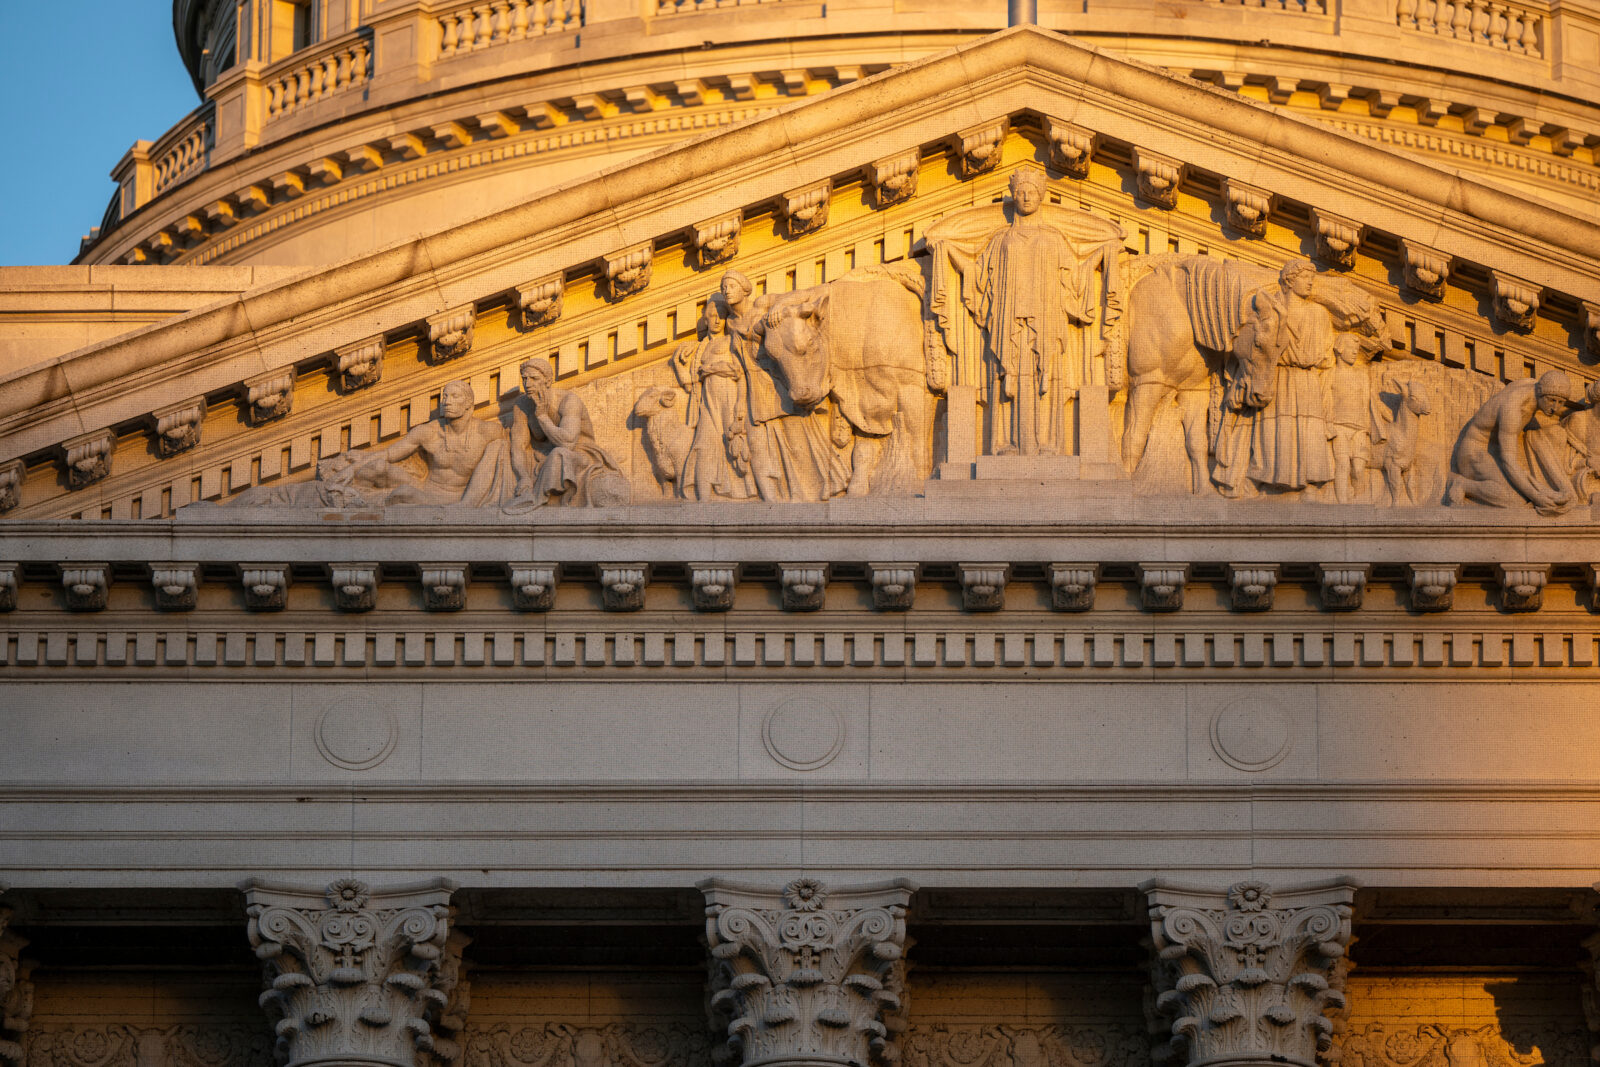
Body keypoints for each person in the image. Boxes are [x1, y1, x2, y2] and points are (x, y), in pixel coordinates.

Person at [938, 169, 1098, 455]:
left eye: (1032, 192)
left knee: (1044, 379)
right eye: (1021, 192)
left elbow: (1073, 279)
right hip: (1007, 320)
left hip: (1046, 322)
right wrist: (947, 250)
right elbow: (978, 276)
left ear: (1041, 196)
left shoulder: (1053, 238)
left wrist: (1100, 255)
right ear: (1014, 196)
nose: (1025, 197)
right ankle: (1006, 444)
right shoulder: (1001, 240)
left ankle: (1048, 445)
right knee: (1008, 377)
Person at [234, 379, 512, 507]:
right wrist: (352, 467)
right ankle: (335, 489)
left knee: (402, 495)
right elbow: (390, 453)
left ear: (470, 403)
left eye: (453, 397)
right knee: (380, 473)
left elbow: (517, 456)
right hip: (427, 491)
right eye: (444, 396)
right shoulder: (429, 432)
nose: (446, 401)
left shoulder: (490, 433)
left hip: (460, 501)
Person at [719, 269, 850, 502]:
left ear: (745, 289)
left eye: (731, 285)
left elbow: (812, 292)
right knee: (759, 447)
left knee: (798, 438)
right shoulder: (729, 324)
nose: (726, 291)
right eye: (723, 287)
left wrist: (781, 306)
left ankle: (818, 487)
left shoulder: (761, 305)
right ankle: (777, 497)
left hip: (778, 383)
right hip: (753, 388)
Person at [1214, 260, 1336, 496]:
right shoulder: (1269, 311)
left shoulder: (1319, 314)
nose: (1310, 282)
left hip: (1307, 381)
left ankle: (1309, 487)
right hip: (1274, 377)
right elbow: (1249, 347)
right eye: (1304, 277)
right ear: (1289, 280)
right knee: (1270, 433)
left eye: (1312, 278)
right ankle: (1264, 478)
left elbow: (1325, 356)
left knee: (1307, 432)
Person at [1446, 369, 1581, 513]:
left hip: (1496, 455)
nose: (1555, 408)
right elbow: (1508, 462)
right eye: (1552, 400)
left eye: (1561, 402)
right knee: (1514, 499)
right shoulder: (1513, 410)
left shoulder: (1532, 385)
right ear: (1541, 391)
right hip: (1474, 454)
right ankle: (1462, 485)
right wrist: (1536, 497)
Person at [508, 359, 630, 508]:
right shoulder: (522, 405)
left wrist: (542, 417)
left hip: (581, 455)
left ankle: (534, 501)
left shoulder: (568, 400)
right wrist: (523, 477)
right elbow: (518, 447)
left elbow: (568, 442)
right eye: (524, 379)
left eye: (534, 379)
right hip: (541, 458)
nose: (527, 385)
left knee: (559, 455)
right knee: (500, 449)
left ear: (547, 381)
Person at [672, 296, 756, 500]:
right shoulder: (698, 349)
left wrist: (714, 368)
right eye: (712, 316)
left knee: (736, 443)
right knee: (704, 444)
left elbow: (741, 371)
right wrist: (677, 363)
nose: (717, 321)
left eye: (721, 316)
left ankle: (749, 489)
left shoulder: (731, 341)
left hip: (729, 396)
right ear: (705, 320)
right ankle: (703, 499)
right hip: (707, 403)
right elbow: (690, 384)